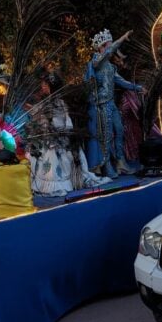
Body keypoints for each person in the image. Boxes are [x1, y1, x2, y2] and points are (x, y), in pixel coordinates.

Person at [24, 74, 110, 197]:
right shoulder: (48, 101)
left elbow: (58, 123)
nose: (42, 87)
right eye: (42, 85)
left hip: (58, 138)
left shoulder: (58, 102)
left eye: (44, 85)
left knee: (52, 155)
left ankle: (56, 183)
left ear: (50, 86)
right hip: (49, 136)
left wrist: (45, 125)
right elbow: (41, 115)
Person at [85, 29, 144, 179]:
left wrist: (138, 88)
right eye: (108, 46)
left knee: (120, 130)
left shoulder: (110, 67)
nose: (110, 50)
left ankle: (120, 161)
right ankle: (106, 165)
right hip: (102, 105)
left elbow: (121, 82)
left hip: (111, 104)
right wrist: (123, 37)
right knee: (106, 136)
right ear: (101, 47)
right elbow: (109, 51)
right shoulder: (96, 62)